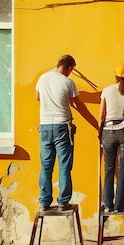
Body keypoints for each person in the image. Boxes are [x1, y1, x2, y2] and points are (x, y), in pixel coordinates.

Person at [35, 54, 84, 211]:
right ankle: (63, 201)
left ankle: (44, 201)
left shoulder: (42, 78)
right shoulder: (68, 82)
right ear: (70, 68)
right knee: (64, 165)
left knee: (46, 165)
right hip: (62, 126)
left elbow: (38, 97)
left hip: (44, 126)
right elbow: (79, 105)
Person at [98, 62, 124, 212]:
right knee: (123, 169)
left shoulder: (106, 91)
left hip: (108, 130)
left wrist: (99, 133)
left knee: (108, 169)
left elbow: (101, 115)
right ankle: (119, 205)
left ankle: (108, 204)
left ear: (115, 76)